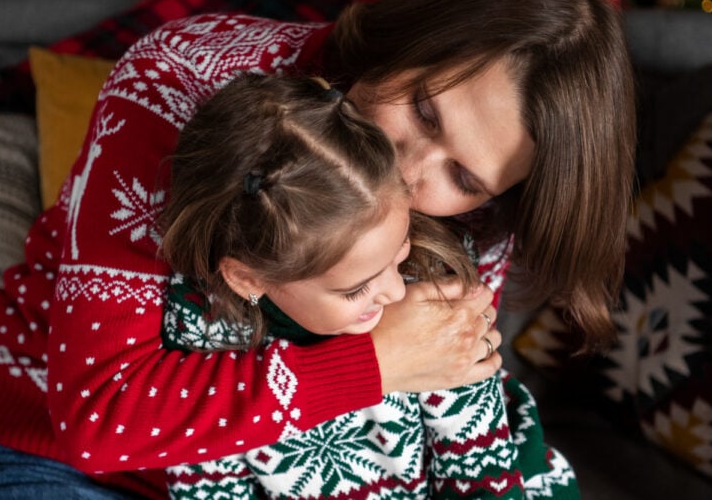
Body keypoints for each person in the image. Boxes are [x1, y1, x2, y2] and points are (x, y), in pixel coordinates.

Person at [0, 0, 634, 499]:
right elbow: (99, 420)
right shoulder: (183, 82)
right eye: (424, 112)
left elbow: (446, 406)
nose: (408, 170)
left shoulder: (479, 215)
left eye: (466, 178)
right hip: (63, 459)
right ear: (410, 43)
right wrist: (374, 367)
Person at [157, 72, 574, 499]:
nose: (395, 293)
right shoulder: (203, 325)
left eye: (400, 252)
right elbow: (207, 475)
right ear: (249, 279)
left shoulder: (430, 282)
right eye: (356, 289)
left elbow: (479, 466)